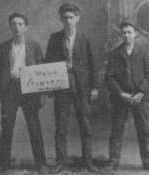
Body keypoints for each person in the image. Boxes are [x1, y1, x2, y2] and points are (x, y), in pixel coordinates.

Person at [0, 13, 49, 174]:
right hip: (9, 89)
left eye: (20, 24)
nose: (17, 27)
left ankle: (41, 164)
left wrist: (43, 93)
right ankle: (3, 164)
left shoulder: (34, 45)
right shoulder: (3, 47)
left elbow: (42, 69)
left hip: (30, 90)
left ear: (26, 27)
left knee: (34, 126)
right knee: (7, 127)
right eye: (14, 24)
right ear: (10, 26)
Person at [45, 3, 99, 173]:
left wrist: (95, 87)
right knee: (61, 126)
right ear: (61, 19)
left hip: (82, 87)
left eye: (71, 17)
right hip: (62, 87)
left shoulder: (85, 38)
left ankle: (88, 160)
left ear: (77, 18)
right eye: (65, 18)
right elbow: (48, 63)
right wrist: (50, 86)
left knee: (86, 125)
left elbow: (93, 64)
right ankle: (61, 162)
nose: (68, 21)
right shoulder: (54, 38)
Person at [104, 20, 149, 172]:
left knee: (143, 130)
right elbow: (109, 77)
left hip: (140, 98)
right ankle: (113, 161)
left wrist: (141, 93)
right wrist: (120, 93)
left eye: (129, 32)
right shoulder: (114, 53)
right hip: (121, 98)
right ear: (121, 35)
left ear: (135, 34)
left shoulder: (144, 52)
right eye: (123, 33)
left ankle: (148, 161)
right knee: (117, 130)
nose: (126, 35)